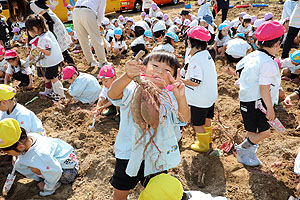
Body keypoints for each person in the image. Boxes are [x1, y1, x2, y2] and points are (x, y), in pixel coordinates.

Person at [107, 50, 190, 200]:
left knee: (155, 187)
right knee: (121, 188)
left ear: (172, 78)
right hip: (128, 153)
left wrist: (181, 97)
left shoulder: (169, 97)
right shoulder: (131, 88)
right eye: (155, 65)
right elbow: (112, 94)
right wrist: (127, 76)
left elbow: (183, 119)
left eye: (167, 70)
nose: (159, 71)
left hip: (157, 156)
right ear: (143, 68)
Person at [234, 21, 285, 167]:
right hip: (258, 102)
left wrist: (244, 81)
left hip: (245, 99)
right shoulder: (269, 62)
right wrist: (270, 108)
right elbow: (264, 88)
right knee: (265, 132)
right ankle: (242, 149)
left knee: (251, 130)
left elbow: (240, 68)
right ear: (277, 44)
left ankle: (248, 154)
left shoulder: (253, 55)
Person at [0, 118, 79, 197]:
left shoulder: (39, 155)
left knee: (34, 168)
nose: (8, 154)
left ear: (20, 147)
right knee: (20, 164)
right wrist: (15, 156)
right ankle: (44, 177)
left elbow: (55, 171)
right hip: (63, 154)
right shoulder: (31, 137)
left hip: (68, 170)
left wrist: (48, 187)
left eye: (8, 152)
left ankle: (54, 184)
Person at [181, 26, 218, 152]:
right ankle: (207, 140)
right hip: (210, 97)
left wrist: (180, 81)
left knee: (197, 123)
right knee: (207, 119)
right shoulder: (206, 55)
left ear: (190, 42)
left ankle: (203, 145)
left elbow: (196, 82)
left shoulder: (196, 59)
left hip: (200, 99)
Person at [25, 14, 65, 102]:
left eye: (29, 30)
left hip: (51, 62)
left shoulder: (45, 39)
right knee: (46, 76)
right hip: (47, 62)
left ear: (34, 28)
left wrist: (40, 50)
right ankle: (48, 91)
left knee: (54, 78)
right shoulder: (44, 35)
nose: (28, 32)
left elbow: (48, 52)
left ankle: (61, 95)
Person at [73, 0, 111, 68]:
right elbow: (100, 13)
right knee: (96, 39)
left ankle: (91, 62)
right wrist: (99, 24)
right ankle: (102, 62)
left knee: (83, 40)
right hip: (87, 11)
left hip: (75, 12)